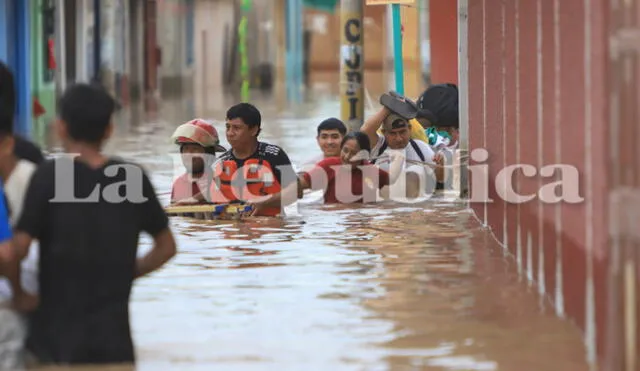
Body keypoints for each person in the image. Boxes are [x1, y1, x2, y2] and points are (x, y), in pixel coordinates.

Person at [5, 83, 177, 366]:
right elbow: (166, 247)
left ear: (61, 127)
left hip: (54, 348)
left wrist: (21, 294)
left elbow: (17, 250)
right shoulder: (132, 178)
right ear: (109, 129)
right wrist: (124, 272)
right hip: (116, 350)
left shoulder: (49, 177)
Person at [248, 131, 405, 213]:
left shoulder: (371, 171)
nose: (347, 157)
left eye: (354, 153)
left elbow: (391, 178)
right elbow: (297, 187)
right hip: (332, 220)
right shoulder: (329, 166)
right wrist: (265, 201)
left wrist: (398, 157)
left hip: (363, 222)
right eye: (345, 150)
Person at [209, 103, 297, 216]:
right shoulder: (220, 163)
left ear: (254, 130)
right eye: (227, 127)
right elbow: (209, 195)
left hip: (271, 228)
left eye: (236, 128)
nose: (230, 133)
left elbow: (295, 192)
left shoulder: (274, 155)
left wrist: (265, 202)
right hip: (233, 229)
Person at [360, 105, 436, 198]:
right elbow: (365, 131)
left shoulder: (421, 147)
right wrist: (388, 106)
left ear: (410, 129)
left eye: (402, 132)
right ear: (384, 132)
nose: (399, 138)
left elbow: (440, 178)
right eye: (393, 133)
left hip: (414, 207)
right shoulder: (377, 146)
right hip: (383, 207)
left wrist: (441, 163)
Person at [169, 119, 226, 204]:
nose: (189, 154)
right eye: (186, 149)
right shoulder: (179, 183)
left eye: (195, 149)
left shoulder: (221, 179)